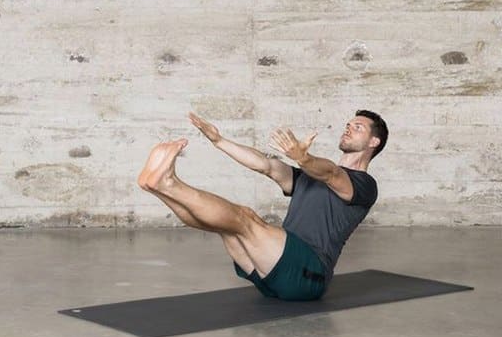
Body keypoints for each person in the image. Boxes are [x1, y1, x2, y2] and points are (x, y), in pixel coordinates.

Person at [138, 109, 388, 301]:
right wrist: (219, 140)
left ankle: (169, 184)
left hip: (308, 274)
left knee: (244, 218)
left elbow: (333, 174)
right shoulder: (309, 177)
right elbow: (265, 165)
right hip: (272, 270)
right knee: (224, 226)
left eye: (357, 127)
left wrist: (303, 157)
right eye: (348, 125)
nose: (348, 129)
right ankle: (159, 188)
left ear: (373, 142)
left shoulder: (365, 185)